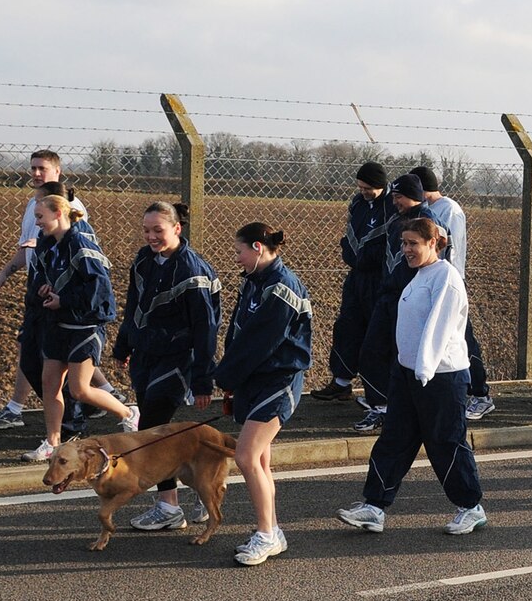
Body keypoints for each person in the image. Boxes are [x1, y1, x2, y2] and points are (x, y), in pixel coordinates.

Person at [336, 217, 487, 536]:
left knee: (445, 441)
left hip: (440, 377)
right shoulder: (418, 275)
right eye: (403, 243)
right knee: (395, 438)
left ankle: (470, 507)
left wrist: (424, 369)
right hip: (408, 374)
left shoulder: (445, 277)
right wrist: (403, 368)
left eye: (413, 243)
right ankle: (374, 507)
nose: (406, 249)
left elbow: (439, 326)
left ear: (433, 243)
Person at [0, 150, 115, 432]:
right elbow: (29, 247)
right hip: (41, 292)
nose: (35, 173)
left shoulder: (68, 209)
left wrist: (62, 296)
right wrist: (5, 273)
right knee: (33, 353)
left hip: (65, 303)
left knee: (55, 360)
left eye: (42, 168)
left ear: (57, 171)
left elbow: (90, 275)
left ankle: (74, 418)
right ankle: (87, 403)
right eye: (33, 168)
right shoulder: (35, 205)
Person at [115, 202, 222, 532]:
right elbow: (134, 304)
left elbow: (207, 328)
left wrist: (203, 380)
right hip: (146, 356)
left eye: (157, 231)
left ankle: (168, 507)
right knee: (154, 429)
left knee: (153, 430)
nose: (150, 237)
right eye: (146, 230)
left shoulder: (194, 271)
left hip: (177, 361)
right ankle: (208, 490)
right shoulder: (143, 260)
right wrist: (124, 343)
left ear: (177, 229)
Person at [214, 223, 312, 566]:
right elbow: (240, 335)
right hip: (256, 379)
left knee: (246, 456)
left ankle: (267, 534)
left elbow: (260, 342)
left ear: (257, 247)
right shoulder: (255, 280)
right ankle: (272, 530)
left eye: (240, 251)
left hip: (278, 380)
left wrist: (224, 375)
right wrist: (232, 381)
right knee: (261, 460)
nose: (237, 258)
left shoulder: (282, 287)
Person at [22, 194, 136, 463]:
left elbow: (99, 291)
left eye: (40, 217)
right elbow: (44, 278)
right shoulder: (47, 246)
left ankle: (129, 414)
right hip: (57, 324)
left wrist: (65, 300)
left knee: (79, 389)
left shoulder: (81, 245)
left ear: (58, 214)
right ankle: (52, 442)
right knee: (50, 383)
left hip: (85, 326)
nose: (36, 222)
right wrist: (45, 290)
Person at [353, 174, 440, 433]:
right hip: (389, 294)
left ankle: (388, 408)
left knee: (390, 352)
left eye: (399, 196)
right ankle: (382, 404)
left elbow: (430, 258)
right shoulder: (397, 219)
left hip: (406, 296)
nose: (394, 201)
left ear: (413, 195)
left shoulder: (426, 222)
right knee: (373, 350)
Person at [411, 166, 493, 420]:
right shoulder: (428, 209)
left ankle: (480, 394)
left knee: (461, 337)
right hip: (428, 281)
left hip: (448, 283)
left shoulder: (449, 209)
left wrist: (449, 281)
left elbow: (452, 250)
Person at [312, 162, 391, 405]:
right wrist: (349, 253)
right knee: (347, 325)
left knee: (376, 334)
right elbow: (350, 235)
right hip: (356, 277)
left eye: (368, 187)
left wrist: (370, 259)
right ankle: (341, 381)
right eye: (360, 187)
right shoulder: (357, 203)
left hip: (378, 279)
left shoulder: (390, 206)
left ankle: (377, 391)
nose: (363, 191)